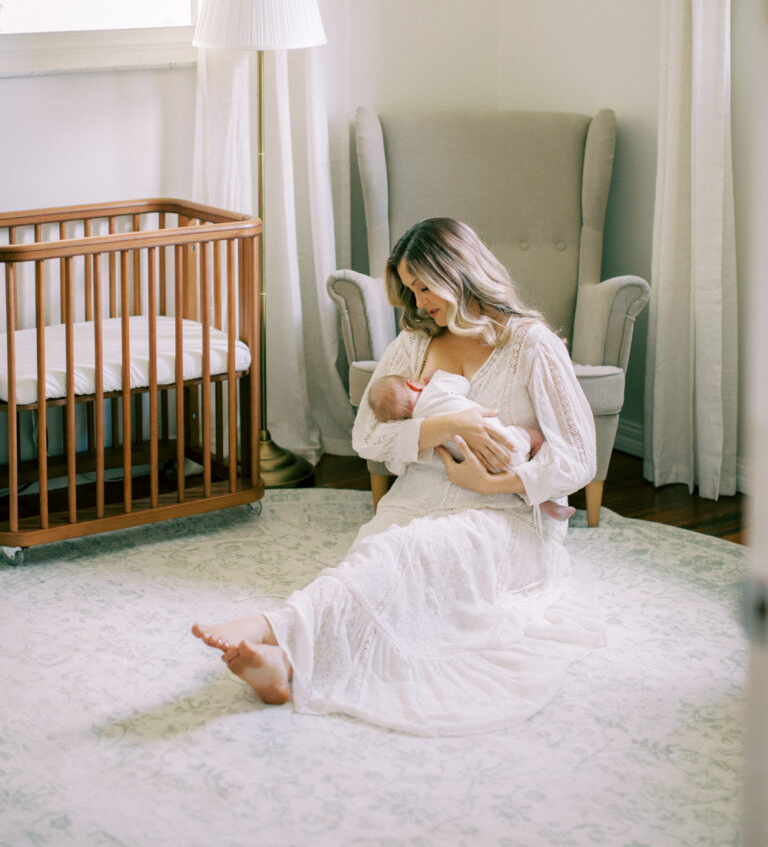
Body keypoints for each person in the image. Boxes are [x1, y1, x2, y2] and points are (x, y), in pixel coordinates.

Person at [193, 218, 605, 735]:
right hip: (415, 502)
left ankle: (273, 630)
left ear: (458, 273)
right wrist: (443, 424)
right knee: (376, 573)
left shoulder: (529, 344)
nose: (419, 299)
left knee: (404, 560)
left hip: (505, 517)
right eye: (410, 289)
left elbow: (578, 457)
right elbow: (367, 436)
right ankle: (283, 666)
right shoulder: (415, 342)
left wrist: (493, 485)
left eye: (425, 285)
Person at [367, 369, 575, 523]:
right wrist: (434, 376)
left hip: (485, 465)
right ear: (413, 385)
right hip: (508, 442)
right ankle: (538, 462)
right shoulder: (436, 389)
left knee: (515, 484)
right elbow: (461, 382)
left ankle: (544, 504)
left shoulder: (418, 426)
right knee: (534, 437)